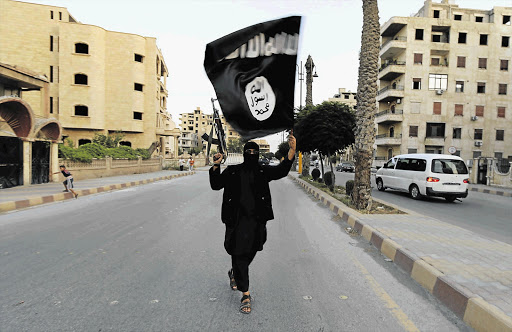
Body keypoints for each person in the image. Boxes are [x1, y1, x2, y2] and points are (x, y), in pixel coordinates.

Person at [209, 133, 296, 314]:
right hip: (236, 221)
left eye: (253, 152)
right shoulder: (233, 171)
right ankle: (246, 294)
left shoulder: (263, 171)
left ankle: (235, 273)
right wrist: (216, 165)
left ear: (256, 154)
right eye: (247, 151)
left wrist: (292, 150)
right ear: (243, 153)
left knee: (254, 248)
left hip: (257, 222)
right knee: (239, 254)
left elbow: (282, 170)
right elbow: (216, 185)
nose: (250, 154)